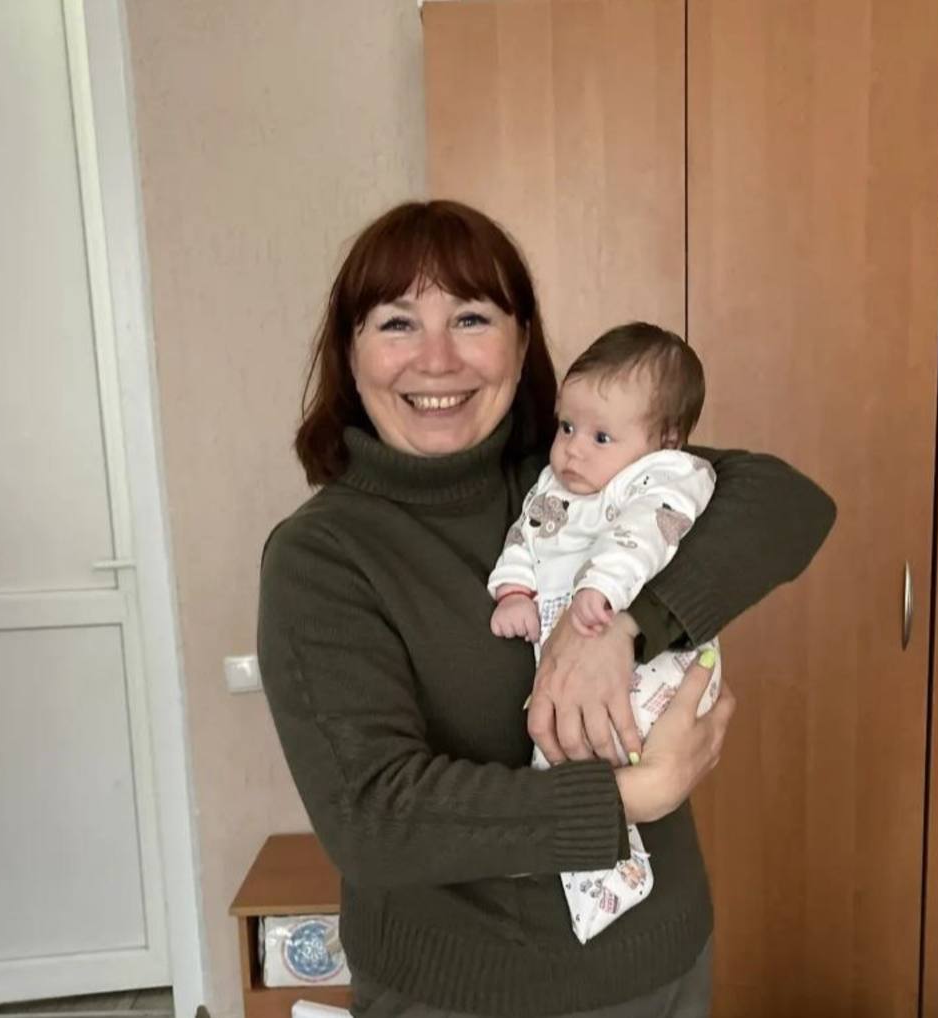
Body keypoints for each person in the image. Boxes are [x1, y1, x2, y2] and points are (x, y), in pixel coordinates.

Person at [257, 200, 835, 1017]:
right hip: (461, 996)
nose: (436, 359)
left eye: (470, 318)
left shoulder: (578, 473)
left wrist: (621, 630)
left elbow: (785, 501)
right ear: (350, 355)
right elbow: (375, 820)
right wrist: (633, 796)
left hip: (661, 963)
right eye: (396, 324)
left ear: (521, 342)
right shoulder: (322, 556)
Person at [486, 321, 723, 944]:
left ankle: (593, 866)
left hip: (656, 658)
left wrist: (605, 596)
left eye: (600, 436)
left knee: (587, 737)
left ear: (664, 439)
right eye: (566, 427)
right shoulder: (554, 485)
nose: (572, 451)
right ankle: (586, 860)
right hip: (574, 631)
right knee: (558, 737)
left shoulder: (665, 477)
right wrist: (514, 589)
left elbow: (640, 539)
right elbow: (526, 537)